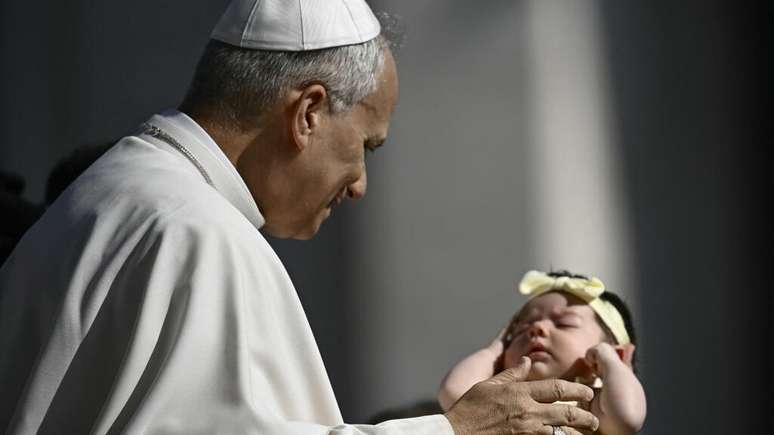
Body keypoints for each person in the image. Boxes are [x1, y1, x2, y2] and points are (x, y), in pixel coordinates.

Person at [0, 1, 601, 434]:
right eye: (367, 146)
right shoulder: (197, 233)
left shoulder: (106, 191)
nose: (361, 185)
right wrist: (455, 432)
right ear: (308, 112)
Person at [438, 270, 647, 435]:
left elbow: (628, 417)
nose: (536, 328)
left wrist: (610, 362)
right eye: (520, 329)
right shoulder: (499, 403)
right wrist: (495, 348)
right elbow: (454, 392)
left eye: (565, 323)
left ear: (617, 356)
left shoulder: (594, 404)